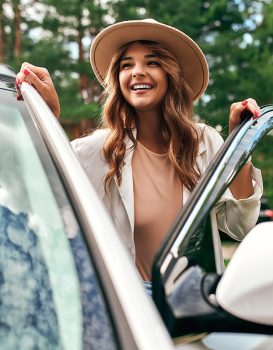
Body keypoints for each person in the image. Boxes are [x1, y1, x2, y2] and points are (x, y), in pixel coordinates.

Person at [16, 19, 262, 282]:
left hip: (190, 307)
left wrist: (241, 143)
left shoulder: (205, 142)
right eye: (127, 65)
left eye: (152, 62)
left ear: (171, 74)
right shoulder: (97, 150)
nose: (137, 71)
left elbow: (240, 225)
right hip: (131, 311)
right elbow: (44, 199)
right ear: (118, 79)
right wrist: (50, 116)